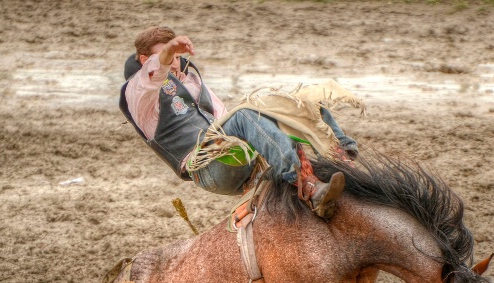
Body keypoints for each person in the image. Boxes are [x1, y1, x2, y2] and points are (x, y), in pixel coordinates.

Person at [120, 26, 359, 219]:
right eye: (169, 55)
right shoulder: (139, 91)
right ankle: (305, 183)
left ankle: (341, 155)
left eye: (177, 55)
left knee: (290, 102)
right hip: (208, 168)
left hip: (239, 156)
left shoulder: (193, 81)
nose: (174, 61)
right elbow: (155, 71)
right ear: (144, 60)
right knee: (245, 113)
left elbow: (226, 118)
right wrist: (169, 50)